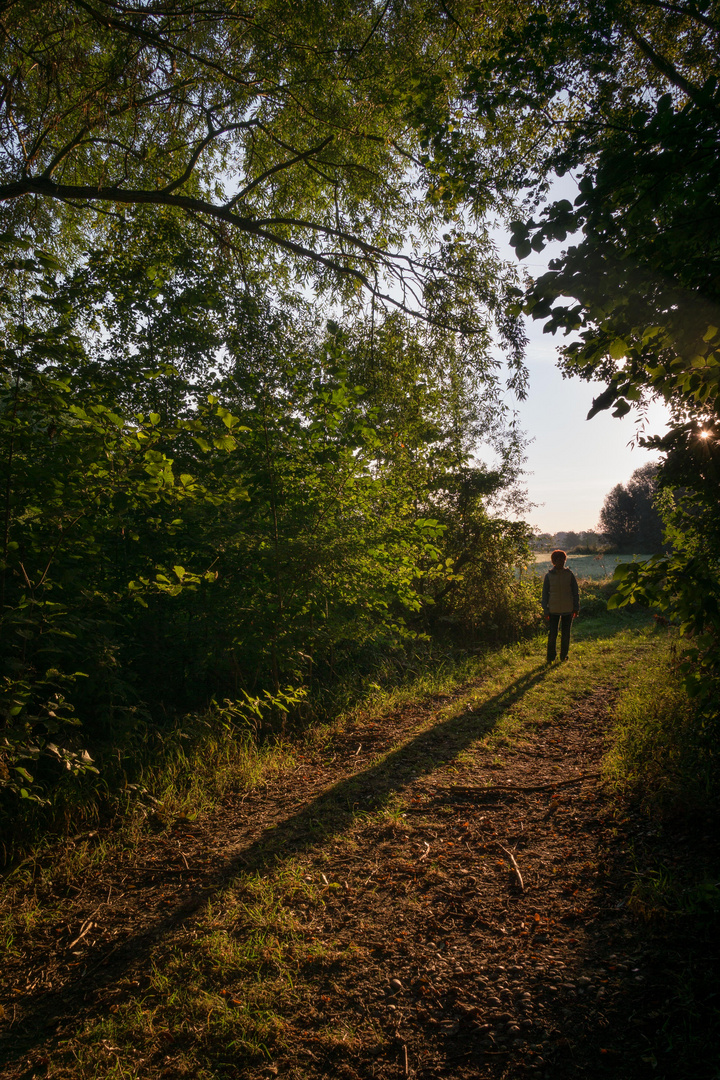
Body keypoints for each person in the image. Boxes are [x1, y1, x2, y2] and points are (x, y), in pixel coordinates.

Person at [542, 549, 580, 663]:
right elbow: (544, 594)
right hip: (553, 610)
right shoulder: (548, 576)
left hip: (568, 609)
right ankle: (550, 657)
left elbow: (575, 592)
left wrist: (576, 608)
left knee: (566, 634)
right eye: (558, 560)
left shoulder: (569, 574)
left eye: (562, 559)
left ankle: (564, 656)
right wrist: (545, 610)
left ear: (565, 560)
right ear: (554, 561)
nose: (561, 562)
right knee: (552, 634)